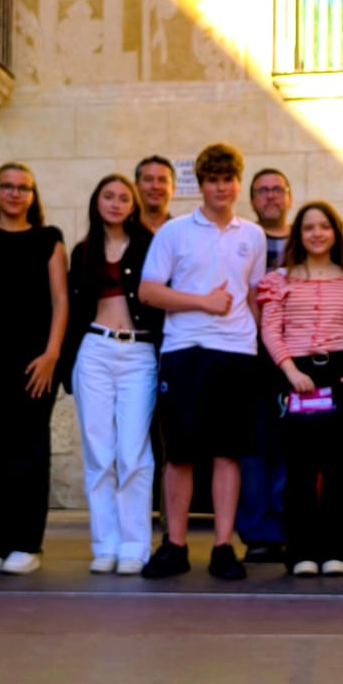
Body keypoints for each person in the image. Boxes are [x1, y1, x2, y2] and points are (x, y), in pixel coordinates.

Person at [138, 142, 269, 580]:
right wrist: (203, 302)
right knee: (180, 454)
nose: (221, 188)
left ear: (238, 183)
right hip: (185, 350)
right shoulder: (174, 232)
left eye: (228, 180)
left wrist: (264, 349)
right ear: (200, 184)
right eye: (212, 180)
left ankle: (222, 547)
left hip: (237, 353)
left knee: (229, 454)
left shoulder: (253, 236)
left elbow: (254, 295)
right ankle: (174, 546)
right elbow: (149, 291)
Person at [0, 162, 69, 575]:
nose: (15, 193)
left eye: (23, 187)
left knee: (31, 451)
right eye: (7, 186)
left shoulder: (48, 239)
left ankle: (27, 544)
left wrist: (52, 354)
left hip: (36, 363)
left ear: (32, 196)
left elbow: (61, 301)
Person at [258, 203, 343, 577]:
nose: (317, 234)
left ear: (336, 232)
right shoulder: (279, 280)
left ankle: (335, 548)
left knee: (340, 464)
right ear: (299, 235)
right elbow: (270, 330)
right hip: (299, 374)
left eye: (324, 227)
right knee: (300, 465)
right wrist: (290, 370)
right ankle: (301, 550)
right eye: (309, 228)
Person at [63, 173, 160, 575]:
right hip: (95, 350)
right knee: (98, 450)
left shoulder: (151, 246)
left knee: (133, 451)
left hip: (139, 352)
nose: (116, 203)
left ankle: (135, 545)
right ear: (97, 202)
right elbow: (72, 308)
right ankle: (105, 544)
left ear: (133, 205)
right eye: (109, 196)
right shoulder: (83, 251)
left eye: (123, 198)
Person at [238, 166, 296, 562]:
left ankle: (289, 527)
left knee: (291, 447)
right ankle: (259, 533)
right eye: (262, 190)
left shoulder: (304, 240)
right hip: (251, 357)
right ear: (252, 199)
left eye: (277, 189)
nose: (271, 196)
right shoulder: (243, 240)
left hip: (299, 357)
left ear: (288, 196)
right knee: (254, 447)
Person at [134, 154, 177, 236]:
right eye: (148, 179)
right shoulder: (121, 233)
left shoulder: (182, 233)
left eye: (162, 180)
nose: (155, 186)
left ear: (173, 189)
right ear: (136, 187)